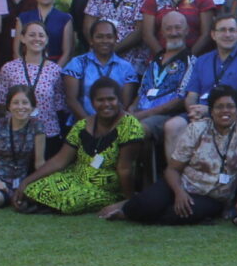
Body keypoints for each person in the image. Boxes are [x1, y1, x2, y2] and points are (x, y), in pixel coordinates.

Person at [105, 85, 237, 225]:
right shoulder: (197, 128)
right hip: (182, 184)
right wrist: (180, 193)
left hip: (213, 196)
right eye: (219, 107)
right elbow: (172, 169)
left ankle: (148, 213)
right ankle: (129, 209)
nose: (225, 111)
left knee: (178, 214)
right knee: (147, 204)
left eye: (230, 107)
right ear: (211, 111)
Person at [15, 77, 144, 215]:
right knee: (32, 188)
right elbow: (60, 160)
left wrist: (128, 201)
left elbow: (125, 169)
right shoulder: (83, 125)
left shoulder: (130, 126)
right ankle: (46, 205)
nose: (106, 104)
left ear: (119, 100)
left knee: (71, 201)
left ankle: (44, 206)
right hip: (75, 178)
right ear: (92, 102)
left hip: (105, 188)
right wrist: (26, 181)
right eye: (100, 100)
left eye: (111, 99)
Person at [172, 12, 237, 153]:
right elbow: (192, 96)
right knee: (173, 126)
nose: (227, 34)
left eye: (232, 30)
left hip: (228, 116)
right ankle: (176, 170)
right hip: (199, 114)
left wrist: (211, 111)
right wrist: (193, 112)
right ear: (213, 35)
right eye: (222, 30)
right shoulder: (201, 60)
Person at [0, 19, 66, 140]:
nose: (37, 39)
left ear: (46, 40)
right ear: (22, 38)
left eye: (41, 35)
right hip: (15, 134)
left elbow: (59, 105)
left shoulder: (55, 70)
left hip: (47, 132)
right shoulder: (9, 68)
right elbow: (0, 102)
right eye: (31, 35)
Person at [130, 10, 193, 143]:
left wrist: (141, 115)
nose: (173, 32)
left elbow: (180, 100)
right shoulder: (154, 61)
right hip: (141, 112)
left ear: (186, 30)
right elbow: (142, 91)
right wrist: (131, 109)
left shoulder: (191, 61)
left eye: (178, 28)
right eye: (168, 29)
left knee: (137, 129)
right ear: (162, 33)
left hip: (166, 116)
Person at [62, 19, 138, 128]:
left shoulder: (126, 68)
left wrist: (109, 128)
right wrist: (90, 126)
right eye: (99, 37)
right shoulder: (77, 64)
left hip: (115, 126)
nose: (104, 40)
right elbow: (71, 100)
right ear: (91, 40)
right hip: (82, 124)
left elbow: (125, 104)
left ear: (116, 39)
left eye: (109, 37)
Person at [17, 0, 74, 64]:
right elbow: (17, 51)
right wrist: (24, 71)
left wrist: (54, 72)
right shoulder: (23, 17)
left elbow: (67, 53)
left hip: (56, 67)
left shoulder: (65, 19)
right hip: (27, 69)